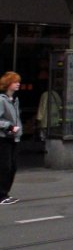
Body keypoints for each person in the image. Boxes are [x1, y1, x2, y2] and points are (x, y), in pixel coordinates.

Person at [0, 72, 23, 205]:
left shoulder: (14, 100)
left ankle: (5, 193)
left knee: (13, 167)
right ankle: (1, 195)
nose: (18, 84)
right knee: (5, 167)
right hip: (3, 138)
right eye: (15, 82)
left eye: (18, 81)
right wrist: (9, 126)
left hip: (14, 138)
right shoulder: (1, 100)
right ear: (8, 84)